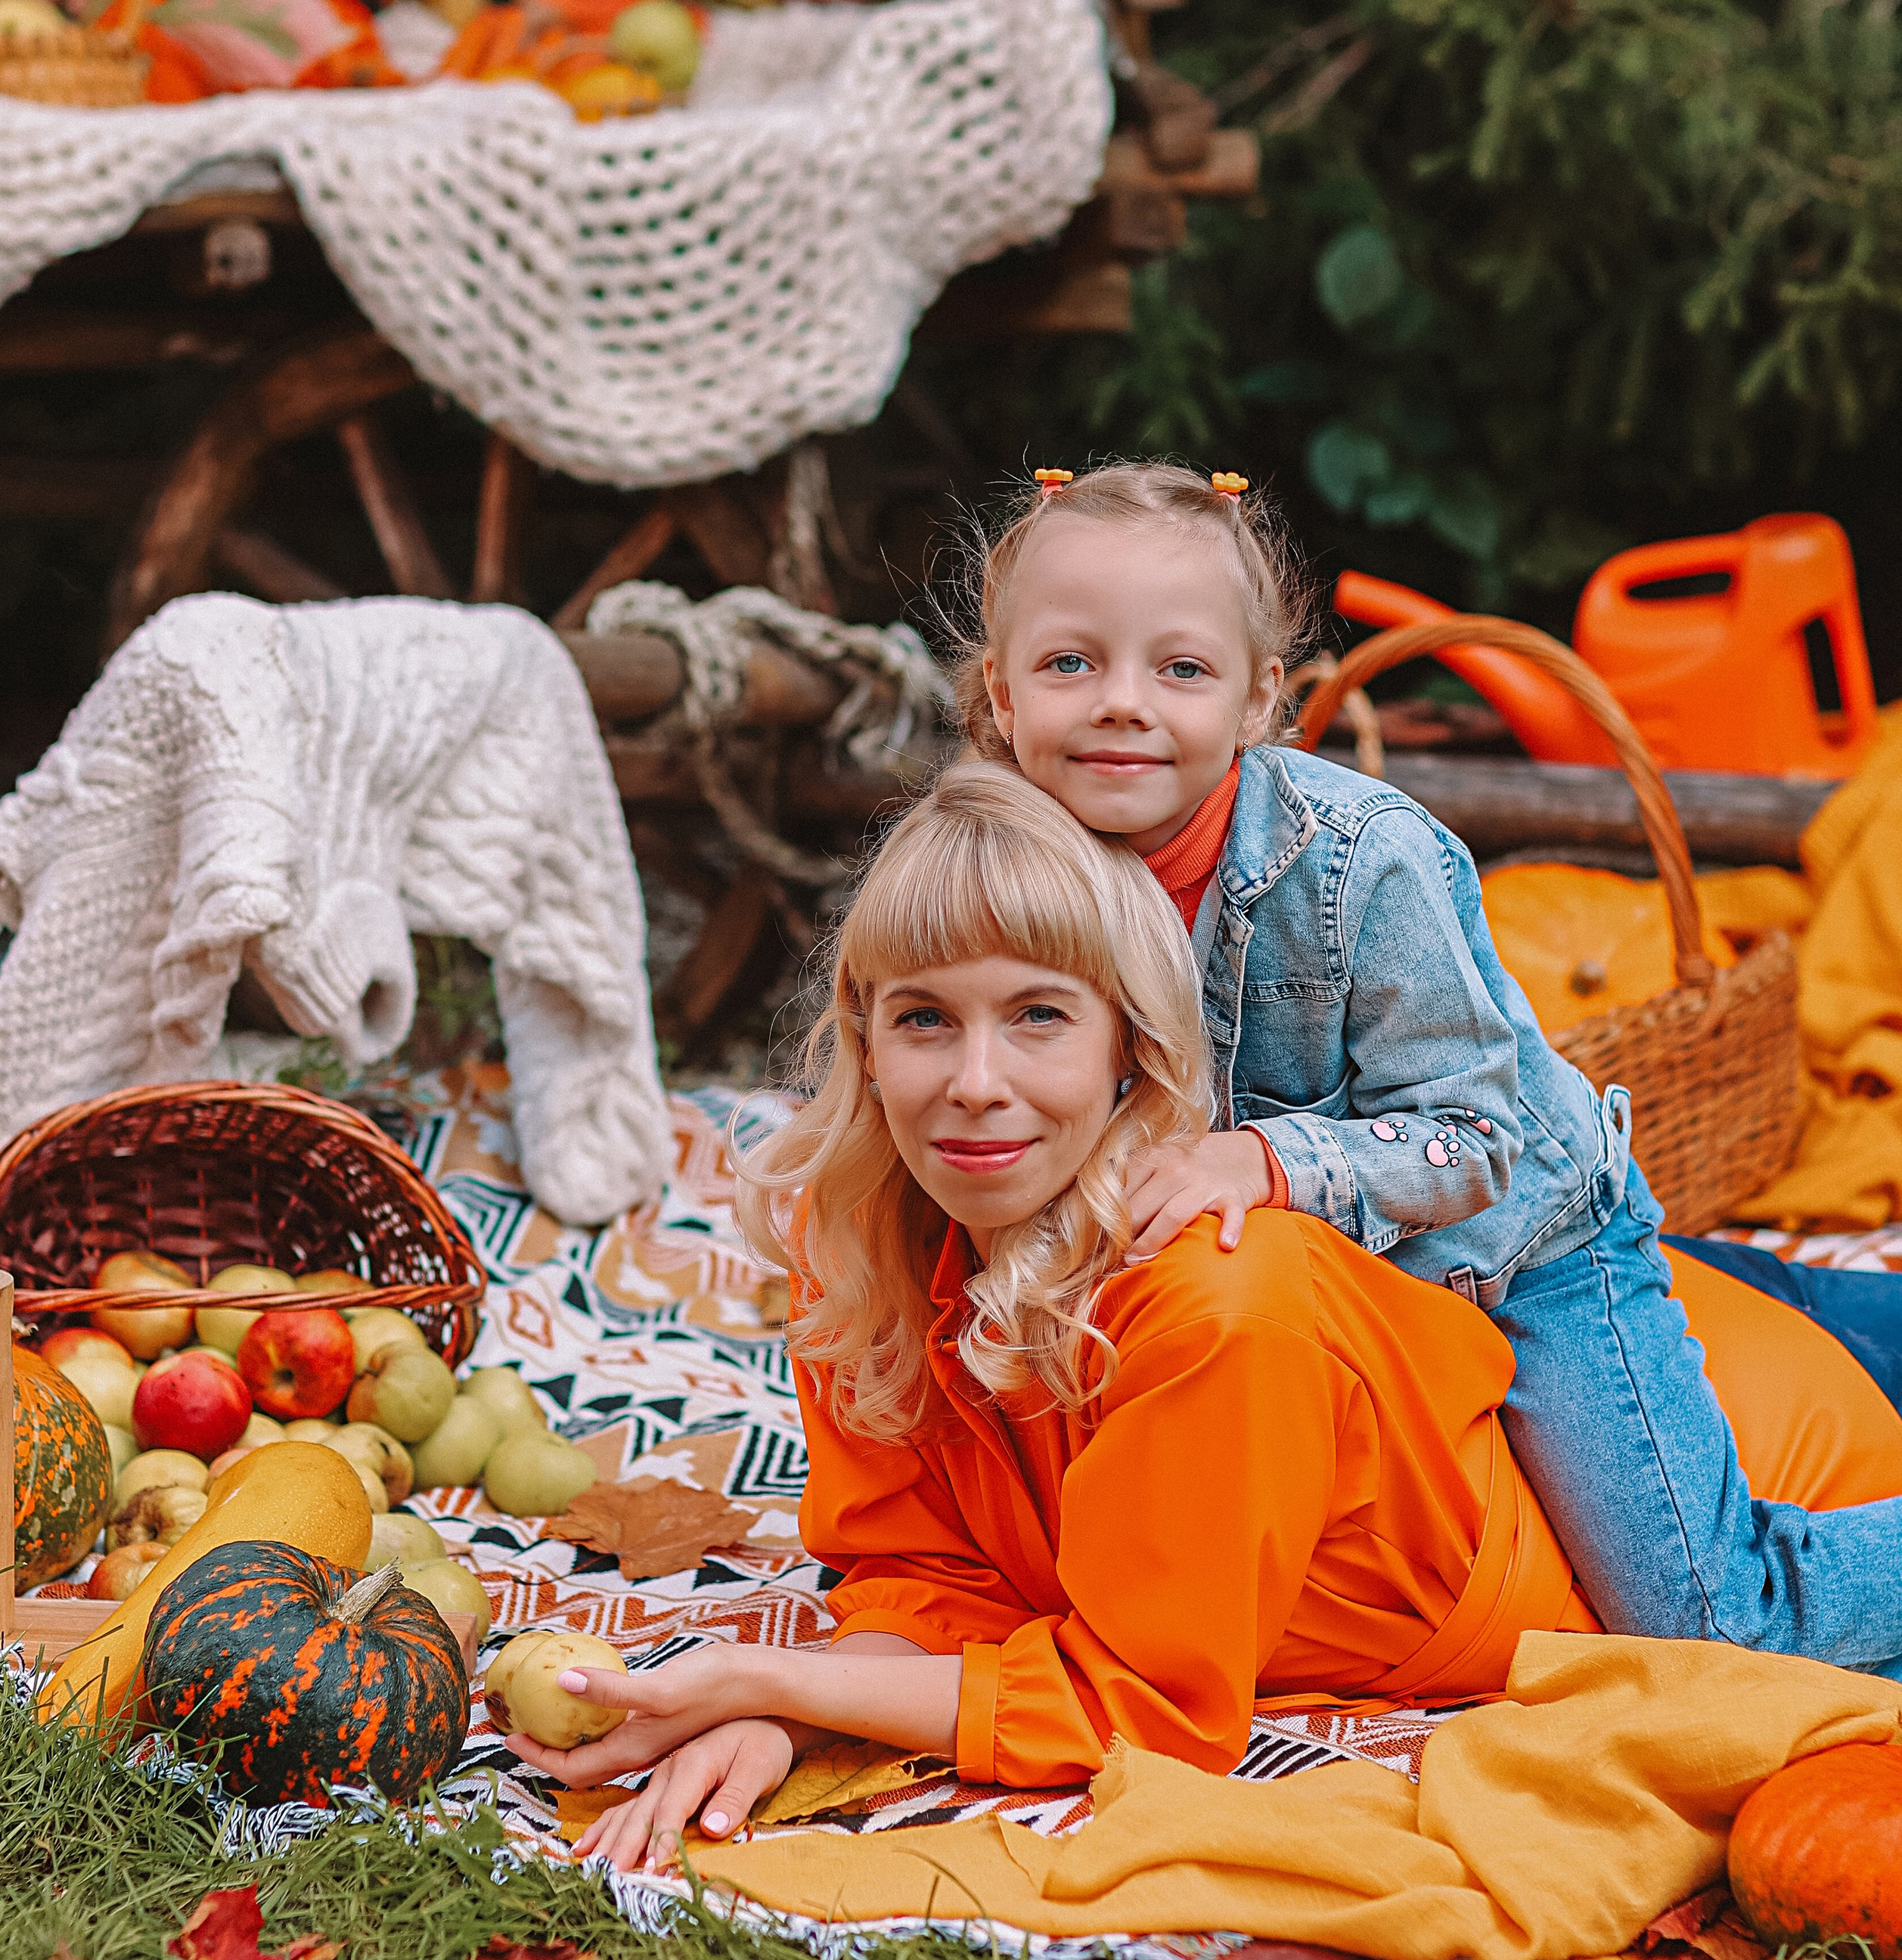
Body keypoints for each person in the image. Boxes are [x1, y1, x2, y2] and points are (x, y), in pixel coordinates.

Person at [501, 768, 1902, 1872]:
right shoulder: (863, 1238)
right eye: (924, 1019)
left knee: (1728, 1611)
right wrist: (783, 1705)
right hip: (1558, 1328)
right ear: (863, 1040)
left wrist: (768, 1670)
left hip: (1779, 1424)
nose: (973, 1085)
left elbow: (1142, 1712)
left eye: (1039, 1017)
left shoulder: (1224, 1303)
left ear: (1135, 1052)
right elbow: (933, 1584)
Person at [948, 457, 1902, 1666]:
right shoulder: (999, 865)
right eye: (1069, 663)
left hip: (1518, 1253)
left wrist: (1264, 1157)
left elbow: (1478, 1140)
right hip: (1322, 1294)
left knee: (1707, 1615)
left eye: (1180, 667)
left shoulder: (1358, 861)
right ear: (1002, 690)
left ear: (1256, 700)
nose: (1121, 703)